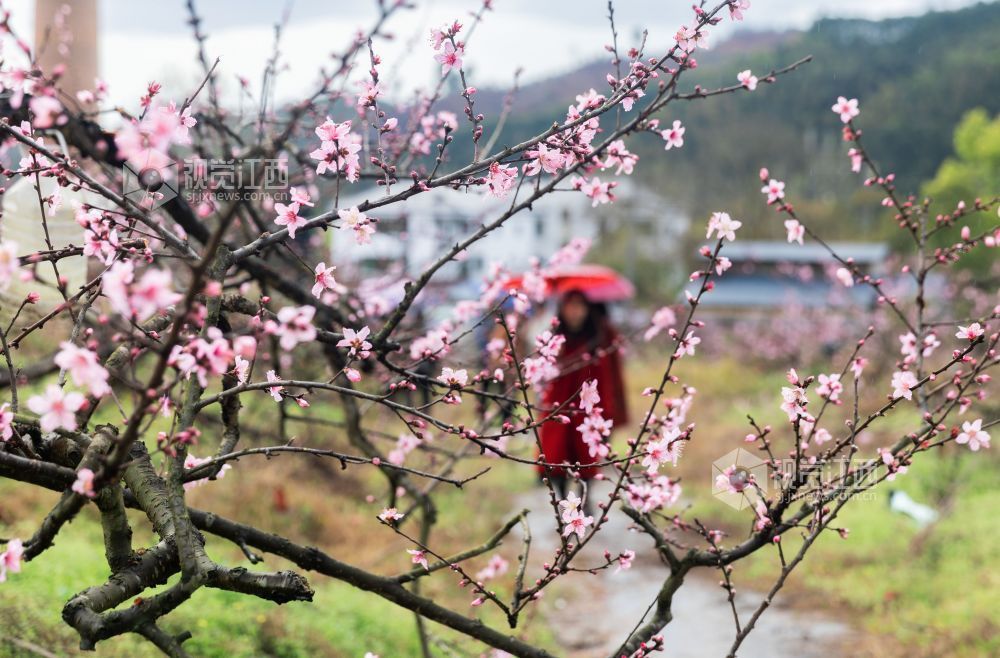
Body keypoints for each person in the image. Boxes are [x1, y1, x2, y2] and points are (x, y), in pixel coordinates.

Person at [538, 290, 628, 511]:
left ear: (588, 309)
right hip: (559, 404)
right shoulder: (554, 336)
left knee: (586, 454)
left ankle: (584, 500)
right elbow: (543, 372)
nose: (575, 311)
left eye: (580, 305)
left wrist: (609, 410)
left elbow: (610, 376)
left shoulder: (602, 335)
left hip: (589, 405)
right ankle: (562, 501)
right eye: (570, 305)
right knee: (554, 453)